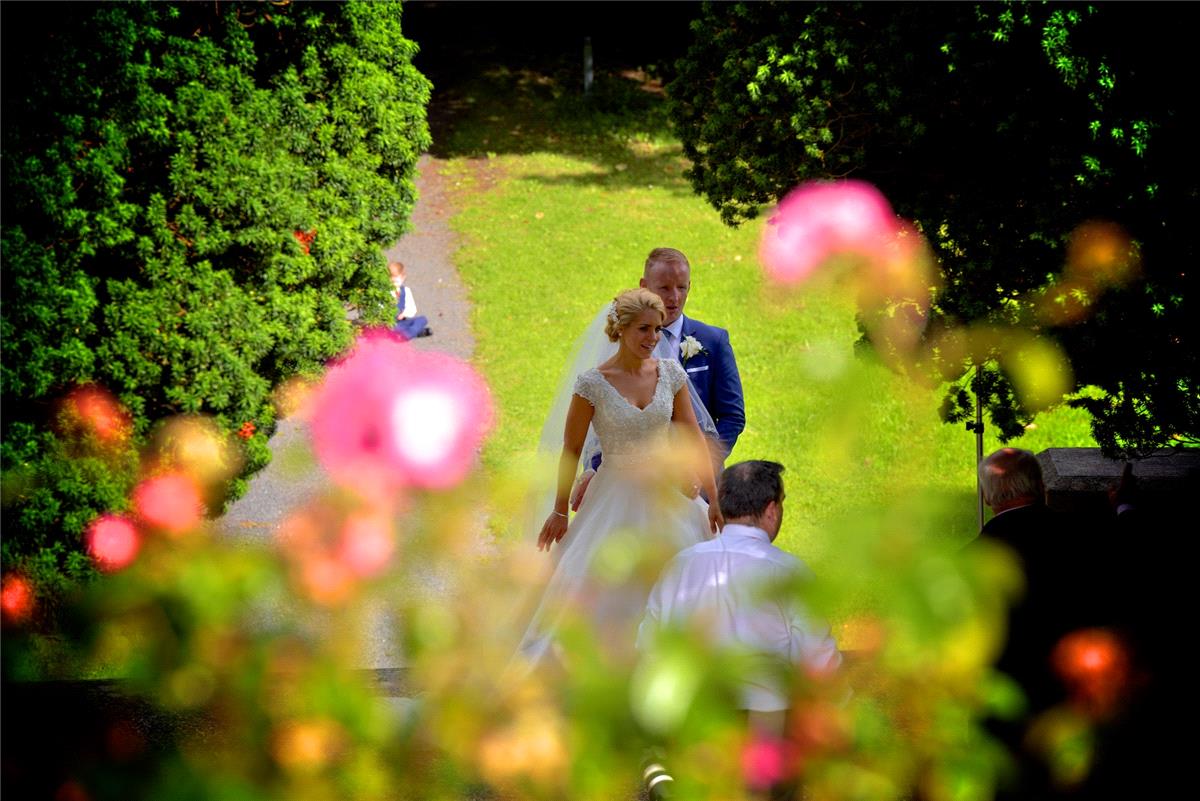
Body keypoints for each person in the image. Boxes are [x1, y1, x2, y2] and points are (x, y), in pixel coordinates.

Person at [518, 288, 724, 668]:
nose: (652, 338)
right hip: (613, 496)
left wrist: (713, 497)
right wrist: (560, 511)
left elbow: (695, 439)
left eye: (658, 329)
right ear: (620, 329)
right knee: (600, 581)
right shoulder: (592, 385)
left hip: (667, 499)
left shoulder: (671, 374)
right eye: (643, 329)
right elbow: (570, 452)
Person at [638, 460, 841, 735]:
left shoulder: (681, 565)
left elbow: (650, 644)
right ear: (771, 510)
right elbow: (818, 660)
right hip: (766, 727)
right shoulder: (790, 573)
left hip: (693, 722)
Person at [572, 247, 745, 508]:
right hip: (630, 490)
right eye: (664, 288)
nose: (674, 297)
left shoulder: (714, 341)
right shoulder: (618, 348)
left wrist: (699, 467)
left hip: (695, 490)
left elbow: (732, 416)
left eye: (682, 288)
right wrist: (594, 471)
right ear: (644, 285)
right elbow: (604, 416)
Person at [387, 261, 432, 340]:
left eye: (396, 282)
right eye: (392, 282)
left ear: (403, 278)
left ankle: (410, 333)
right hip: (391, 323)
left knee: (422, 319)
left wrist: (404, 314)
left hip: (402, 321)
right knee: (396, 328)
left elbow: (412, 308)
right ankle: (415, 333)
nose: (394, 284)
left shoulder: (405, 291)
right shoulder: (386, 291)